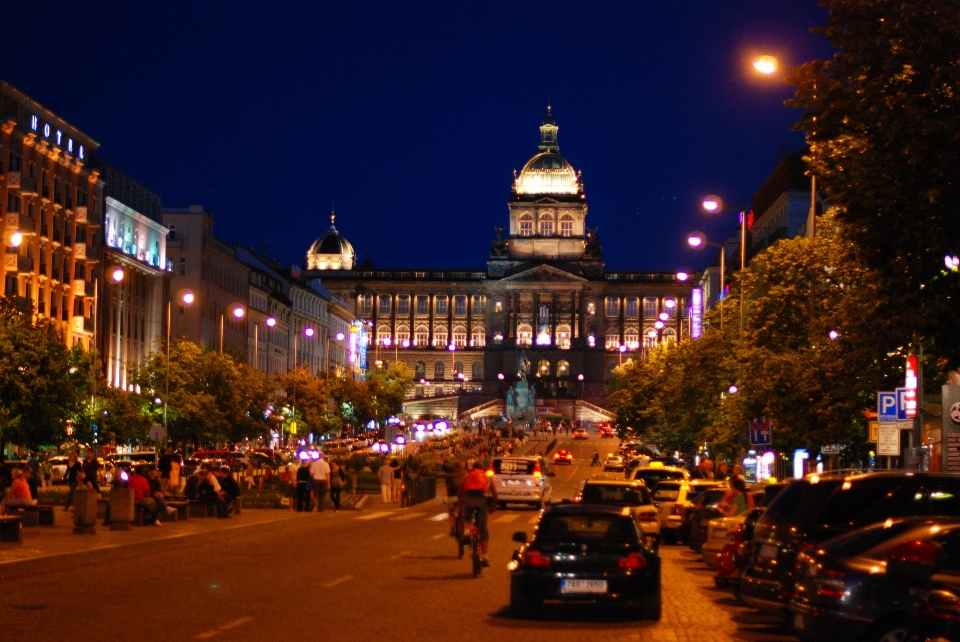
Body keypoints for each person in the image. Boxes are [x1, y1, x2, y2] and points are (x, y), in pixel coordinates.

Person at [458, 461, 498, 567]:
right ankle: (485, 556)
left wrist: (461, 505)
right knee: (483, 529)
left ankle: (466, 532)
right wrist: (493, 506)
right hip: (482, 502)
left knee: (467, 516)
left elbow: (461, 492)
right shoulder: (486, 477)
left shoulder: (467, 476)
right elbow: (494, 493)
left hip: (469, 500)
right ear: (482, 468)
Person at [445, 461, 467, 536]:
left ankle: (453, 528)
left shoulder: (449, 475)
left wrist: (448, 496)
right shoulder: (465, 474)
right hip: (463, 497)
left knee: (451, 512)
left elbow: (447, 488)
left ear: (454, 467)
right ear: (462, 467)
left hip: (452, 496)